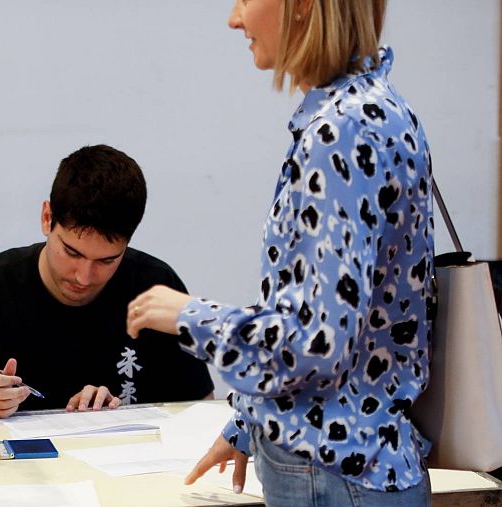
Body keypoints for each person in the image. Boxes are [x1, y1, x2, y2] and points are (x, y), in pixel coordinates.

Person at [127, 1, 433, 505]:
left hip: (335, 472)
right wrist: (253, 419)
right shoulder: (373, 110)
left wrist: (189, 316)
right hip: (350, 464)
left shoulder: (342, 132)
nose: (235, 18)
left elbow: (318, 341)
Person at [0, 144, 214, 417]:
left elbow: (201, 413)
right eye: (72, 252)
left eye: (107, 260)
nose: (84, 277)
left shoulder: (155, 289)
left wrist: (120, 415)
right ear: (47, 218)